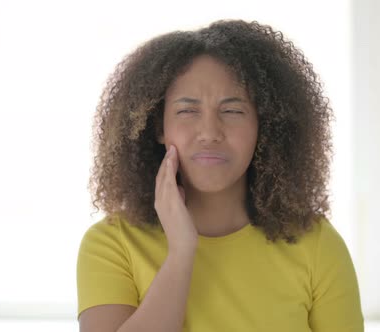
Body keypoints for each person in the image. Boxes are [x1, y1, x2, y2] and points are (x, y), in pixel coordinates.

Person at [77, 19, 364, 332]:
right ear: (159, 126)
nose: (210, 132)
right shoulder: (110, 245)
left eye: (232, 111)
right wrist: (181, 252)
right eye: (187, 110)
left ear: (263, 125)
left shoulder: (318, 244)